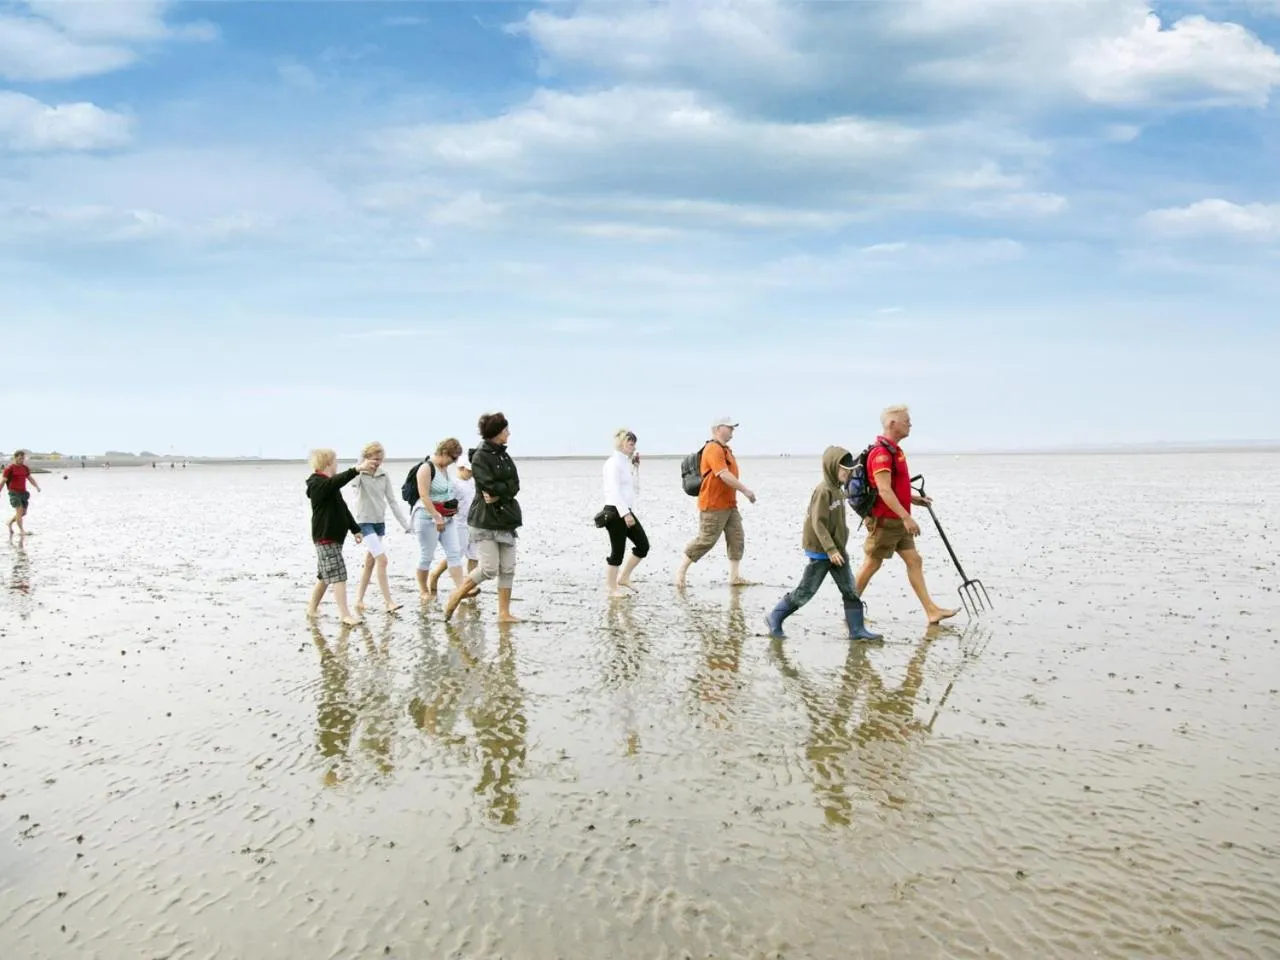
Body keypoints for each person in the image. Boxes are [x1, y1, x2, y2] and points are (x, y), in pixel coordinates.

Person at [764, 446, 882, 642]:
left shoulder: (838, 489)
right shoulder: (823, 491)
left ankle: (857, 630)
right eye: (845, 471)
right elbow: (817, 523)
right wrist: (830, 549)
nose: (848, 474)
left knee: (850, 589)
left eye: (850, 471)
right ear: (832, 468)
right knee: (805, 591)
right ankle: (774, 617)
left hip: (838, 550)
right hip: (822, 551)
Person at [854, 405, 959, 624]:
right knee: (871, 564)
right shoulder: (881, 453)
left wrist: (912, 499)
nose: (910, 424)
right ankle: (850, 611)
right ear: (892, 423)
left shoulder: (895, 451)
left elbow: (892, 487)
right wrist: (906, 517)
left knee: (914, 560)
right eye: (906, 421)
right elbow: (883, 490)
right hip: (886, 520)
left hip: (897, 520)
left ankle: (931, 611)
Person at [444, 413, 522, 623]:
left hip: (507, 517)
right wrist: (500, 490)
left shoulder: (505, 456)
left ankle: (504, 613)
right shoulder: (480, 456)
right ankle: (457, 594)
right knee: (488, 568)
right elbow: (487, 485)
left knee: (508, 568)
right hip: (485, 519)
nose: (508, 433)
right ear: (497, 433)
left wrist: (501, 492)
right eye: (506, 430)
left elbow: (515, 485)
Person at [674, 416, 756, 589]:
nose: (733, 431)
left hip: (729, 504)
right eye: (730, 427)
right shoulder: (712, 448)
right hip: (713, 504)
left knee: (736, 538)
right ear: (718, 429)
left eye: (734, 428)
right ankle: (681, 571)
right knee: (707, 540)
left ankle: (735, 577)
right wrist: (745, 490)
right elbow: (723, 474)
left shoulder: (726, 449)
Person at [306, 448, 374, 625]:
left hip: (333, 538)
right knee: (338, 575)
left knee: (324, 576)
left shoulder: (329, 484)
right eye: (336, 461)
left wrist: (355, 529)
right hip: (325, 537)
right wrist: (357, 469)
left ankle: (311, 609)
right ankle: (345, 615)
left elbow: (343, 509)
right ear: (328, 462)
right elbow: (335, 482)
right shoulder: (317, 484)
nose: (337, 464)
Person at [349, 441, 412, 614]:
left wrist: (405, 524)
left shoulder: (384, 475)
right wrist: (361, 465)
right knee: (382, 560)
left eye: (380, 459)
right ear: (366, 457)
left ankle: (359, 600)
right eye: (375, 459)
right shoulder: (359, 474)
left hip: (379, 522)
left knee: (370, 562)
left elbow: (392, 501)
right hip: (365, 522)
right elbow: (353, 484)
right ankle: (388, 602)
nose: (377, 462)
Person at [409, 439, 466, 604]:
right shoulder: (426, 468)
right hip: (427, 518)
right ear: (443, 452)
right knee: (427, 556)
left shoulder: (444, 469)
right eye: (452, 458)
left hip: (447, 518)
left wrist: (453, 507)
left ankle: (461, 590)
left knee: (454, 553)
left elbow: (446, 493)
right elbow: (424, 495)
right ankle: (423, 590)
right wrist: (436, 516)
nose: (453, 462)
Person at [601, 428, 649, 598]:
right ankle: (611, 588)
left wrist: (635, 468)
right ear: (621, 443)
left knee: (643, 545)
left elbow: (634, 489)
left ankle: (624, 577)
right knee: (617, 552)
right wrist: (625, 514)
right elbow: (614, 491)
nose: (633, 447)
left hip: (626, 510)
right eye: (630, 443)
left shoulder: (625, 463)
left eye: (634, 444)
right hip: (615, 512)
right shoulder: (612, 463)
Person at [427, 449, 480, 595]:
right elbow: (444, 503)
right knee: (457, 554)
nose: (471, 473)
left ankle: (470, 585)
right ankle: (435, 575)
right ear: (460, 468)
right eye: (469, 470)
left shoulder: (473, 482)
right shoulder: (454, 484)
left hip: (474, 523)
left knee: (474, 556)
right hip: (459, 523)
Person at [3, 450, 40, 543]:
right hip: (14, 492)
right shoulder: (9, 469)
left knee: (23, 513)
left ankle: (9, 523)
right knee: (19, 511)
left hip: (23, 493)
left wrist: (36, 486)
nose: (22, 460)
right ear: (15, 458)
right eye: (20, 458)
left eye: (23, 458)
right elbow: (3, 481)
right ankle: (22, 531)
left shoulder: (25, 468)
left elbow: (30, 478)